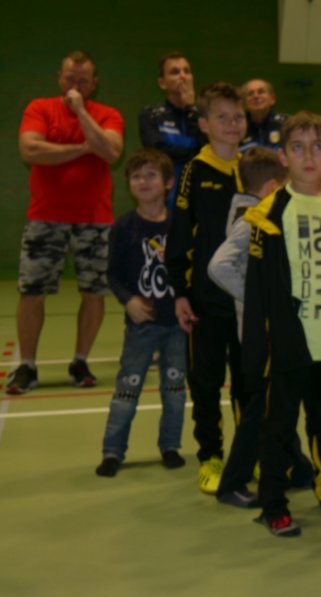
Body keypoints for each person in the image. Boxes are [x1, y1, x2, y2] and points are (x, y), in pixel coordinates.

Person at [242, 112, 321, 536]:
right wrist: (258, 349)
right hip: (289, 344)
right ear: (283, 157)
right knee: (278, 427)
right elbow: (258, 290)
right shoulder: (271, 211)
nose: (308, 156)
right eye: (297, 147)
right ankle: (273, 504)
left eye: (317, 147)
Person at [10, 50, 125, 395]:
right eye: (70, 79)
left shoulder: (108, 114)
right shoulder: (39, 108)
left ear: (94, 83)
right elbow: (30, 151)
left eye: (83, 80)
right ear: (60, 78)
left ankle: (80, 362)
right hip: (45, 217)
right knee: (32, 292)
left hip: (95, 219)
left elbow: (111, 152)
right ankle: (27, 366)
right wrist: (84, 148)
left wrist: (80, 112)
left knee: (94, 292)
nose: (76, 85)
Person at [206, 146, 299, 508]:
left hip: (267, 330)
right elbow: (218, 266)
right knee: (262, 407)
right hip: (261, 334)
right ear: (273, 187)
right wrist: (260, 298)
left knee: (279, 401)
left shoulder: (248, 212)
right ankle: (232, 482)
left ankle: (299, 468)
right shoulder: (251, 219)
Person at [166, 81, 246, 495]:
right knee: (206, 381)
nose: (232, 124)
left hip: (248, 301)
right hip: (206, 300)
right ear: (203, 124)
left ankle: (249, 453)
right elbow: (180, 233)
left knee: (250, 382)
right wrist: (181, 291)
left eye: (238, 116)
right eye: (222, 117)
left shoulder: (255, 168)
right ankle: (210, 456)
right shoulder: (195, 172)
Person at [95, 148, 187, 477]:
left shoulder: (180, 224)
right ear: (129, 184)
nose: (143, 181)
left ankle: (170, 446)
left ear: (168, 182)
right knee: (127, 388)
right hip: (141, 326)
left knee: (175, 390)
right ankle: (112, 451)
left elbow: (190, 270)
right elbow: (113, 275)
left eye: (151, 175)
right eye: (136, 176)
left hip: (177, 325)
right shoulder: (124, 226)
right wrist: (129, 301)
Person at [138, 52, 203, 206]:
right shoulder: (150, 115)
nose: (183, 76)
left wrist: (191, 109)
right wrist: (195, 154)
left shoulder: (206, 116)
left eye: (187, 71)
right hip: (166, 203)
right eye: (175, 72)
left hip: (202, 199)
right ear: (162, 83)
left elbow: (210, 149)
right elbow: (158, 154)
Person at [239, 79, 289, 152]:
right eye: (250, 94)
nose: (256, 96)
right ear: (244, 103)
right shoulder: (238, 127)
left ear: (272, 99)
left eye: (261, 92)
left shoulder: (287, 124)